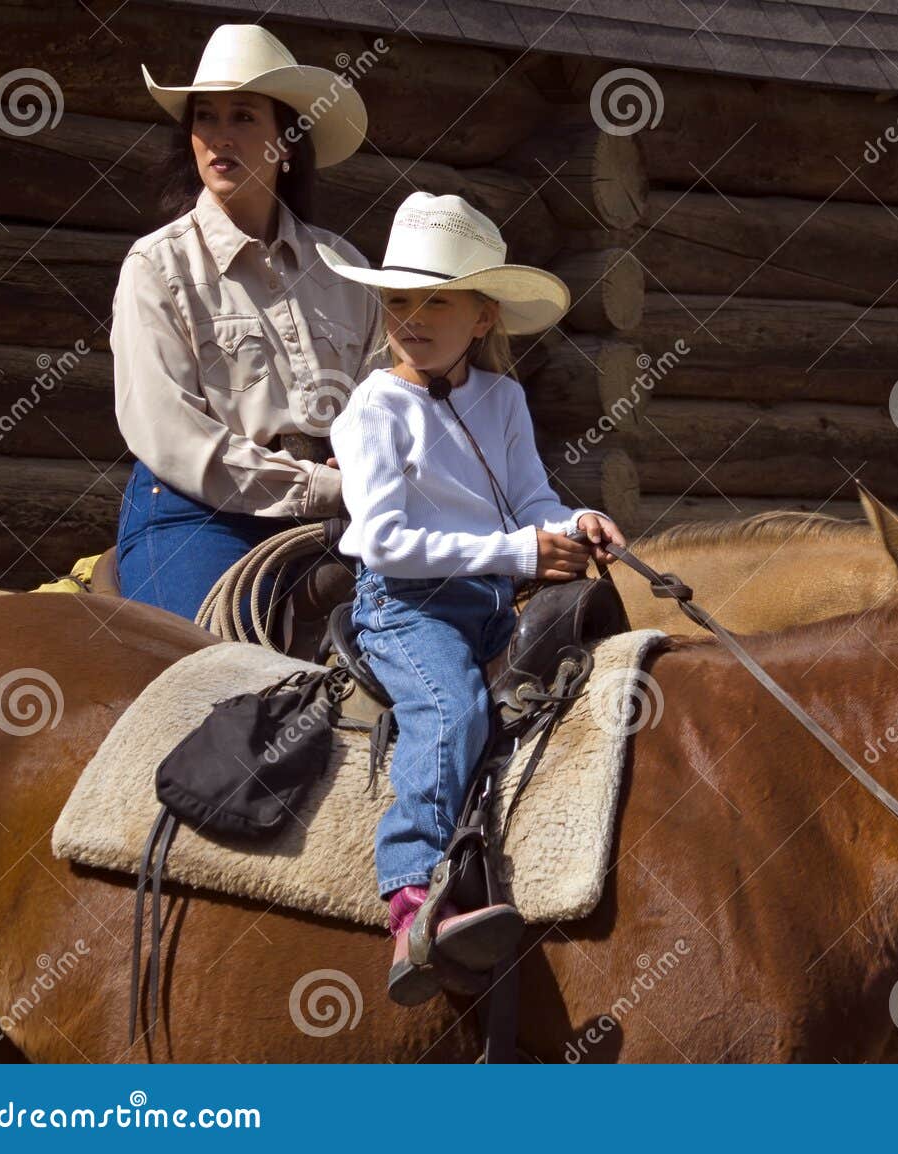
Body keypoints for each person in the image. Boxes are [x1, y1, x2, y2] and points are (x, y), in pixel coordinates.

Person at [324, 191, 628, 1005]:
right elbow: (383, 541)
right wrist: (520, 552)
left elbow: (530, 500)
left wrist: (574, 521)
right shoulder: (373, 408)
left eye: (436, 302)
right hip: (406, 607)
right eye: (399, 301)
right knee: (451, 711)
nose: (412, 318)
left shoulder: (503, 399)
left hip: (492, 604)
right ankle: (411, 897)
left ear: (483, 317)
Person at [111, 24, 379, 629]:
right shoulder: (157, 265)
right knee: (219, 671)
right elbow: (170, 431)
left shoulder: (347, 269)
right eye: (205, 117)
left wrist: (366, 468)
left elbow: (386, 402)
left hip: (345, 512)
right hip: (198, 515)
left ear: (288, 142)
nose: (219, 135)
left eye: (243, 116)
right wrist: (319, 487)